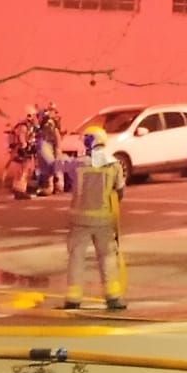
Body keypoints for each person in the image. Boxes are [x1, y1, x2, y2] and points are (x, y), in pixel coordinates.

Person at [63, 126, 127, 312]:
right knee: (107, 258)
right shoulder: (113, 164)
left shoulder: (78, 164)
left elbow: (67, 176)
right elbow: (120, 191)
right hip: (104, 220)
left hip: (79, 220)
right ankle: (113, 297)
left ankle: (73, 299)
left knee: (76, 258)